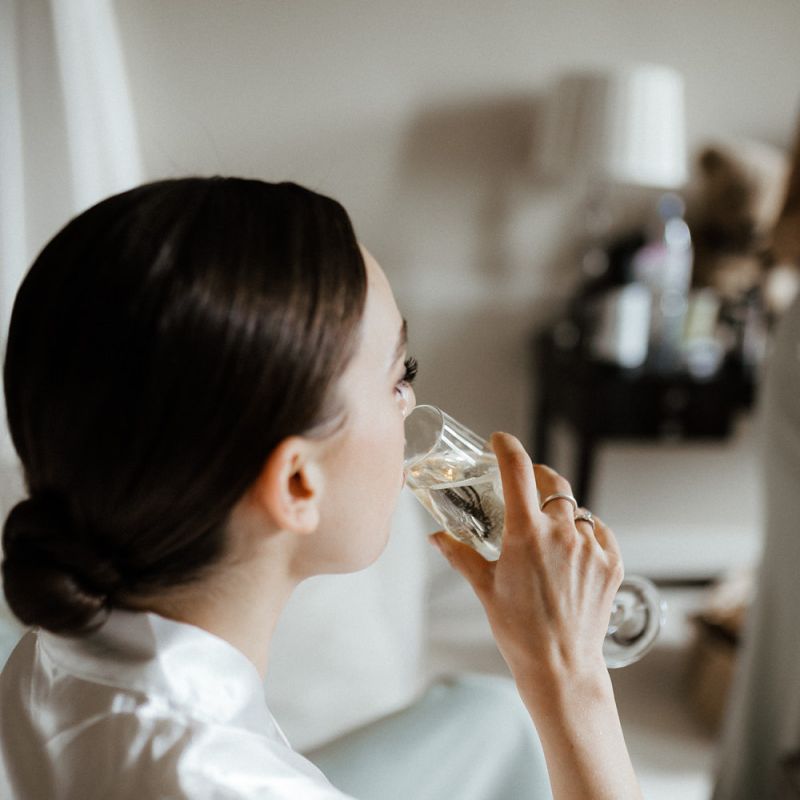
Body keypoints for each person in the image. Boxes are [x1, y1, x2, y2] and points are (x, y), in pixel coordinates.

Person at [0, 177, 641, 799]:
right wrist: (570, 678)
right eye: (398, 379)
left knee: (492, 718)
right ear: (298, 482)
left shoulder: (52, 654)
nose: (415, 406)